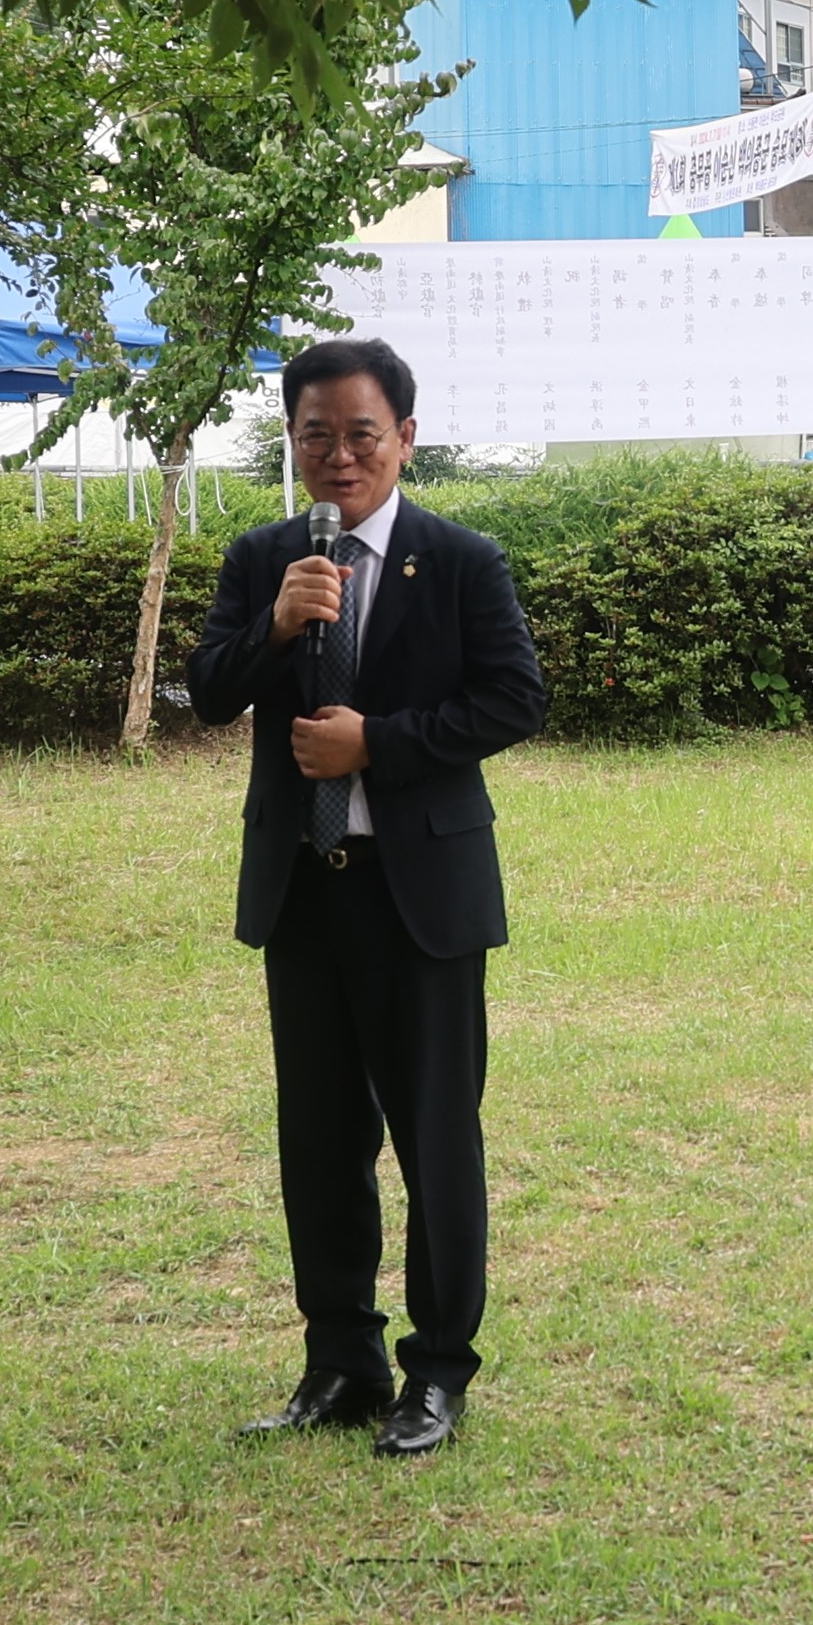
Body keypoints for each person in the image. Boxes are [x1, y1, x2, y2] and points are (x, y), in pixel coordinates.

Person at [188, 338, 547, 1457]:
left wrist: (374, 744)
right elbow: (205, 692)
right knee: (320, 1139)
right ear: (289, 440)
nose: (338, 457)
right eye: (314, 434)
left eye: (361, 434)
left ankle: (437, 1372)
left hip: (422, 899)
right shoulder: (263, 559)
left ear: (404, 436)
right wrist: (280, 625)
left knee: (438, 1138)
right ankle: (339, 1359)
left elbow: (513, 700)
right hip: (305, 893)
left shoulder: (459, 559)